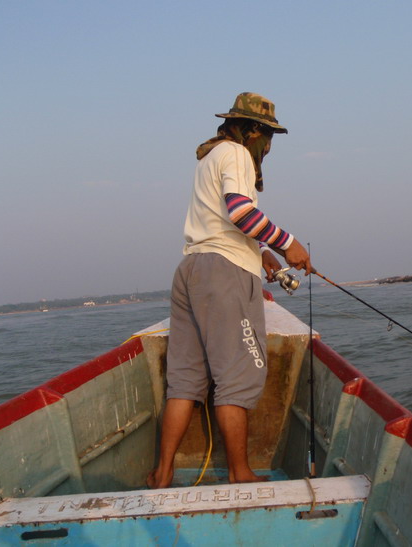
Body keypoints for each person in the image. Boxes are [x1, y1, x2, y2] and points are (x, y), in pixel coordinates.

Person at [147, 92, 313, 489]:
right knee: (238, 376)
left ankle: (162, 472)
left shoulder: (210, 157)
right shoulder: (237, 153)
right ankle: (240, 474)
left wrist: (259, 255)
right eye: (268, 135)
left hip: (191, 270)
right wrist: (286, 243)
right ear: (253, 129)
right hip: (223, 275)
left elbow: (221, 224)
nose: (269, 145)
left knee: (185, 379)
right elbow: (240, 211)